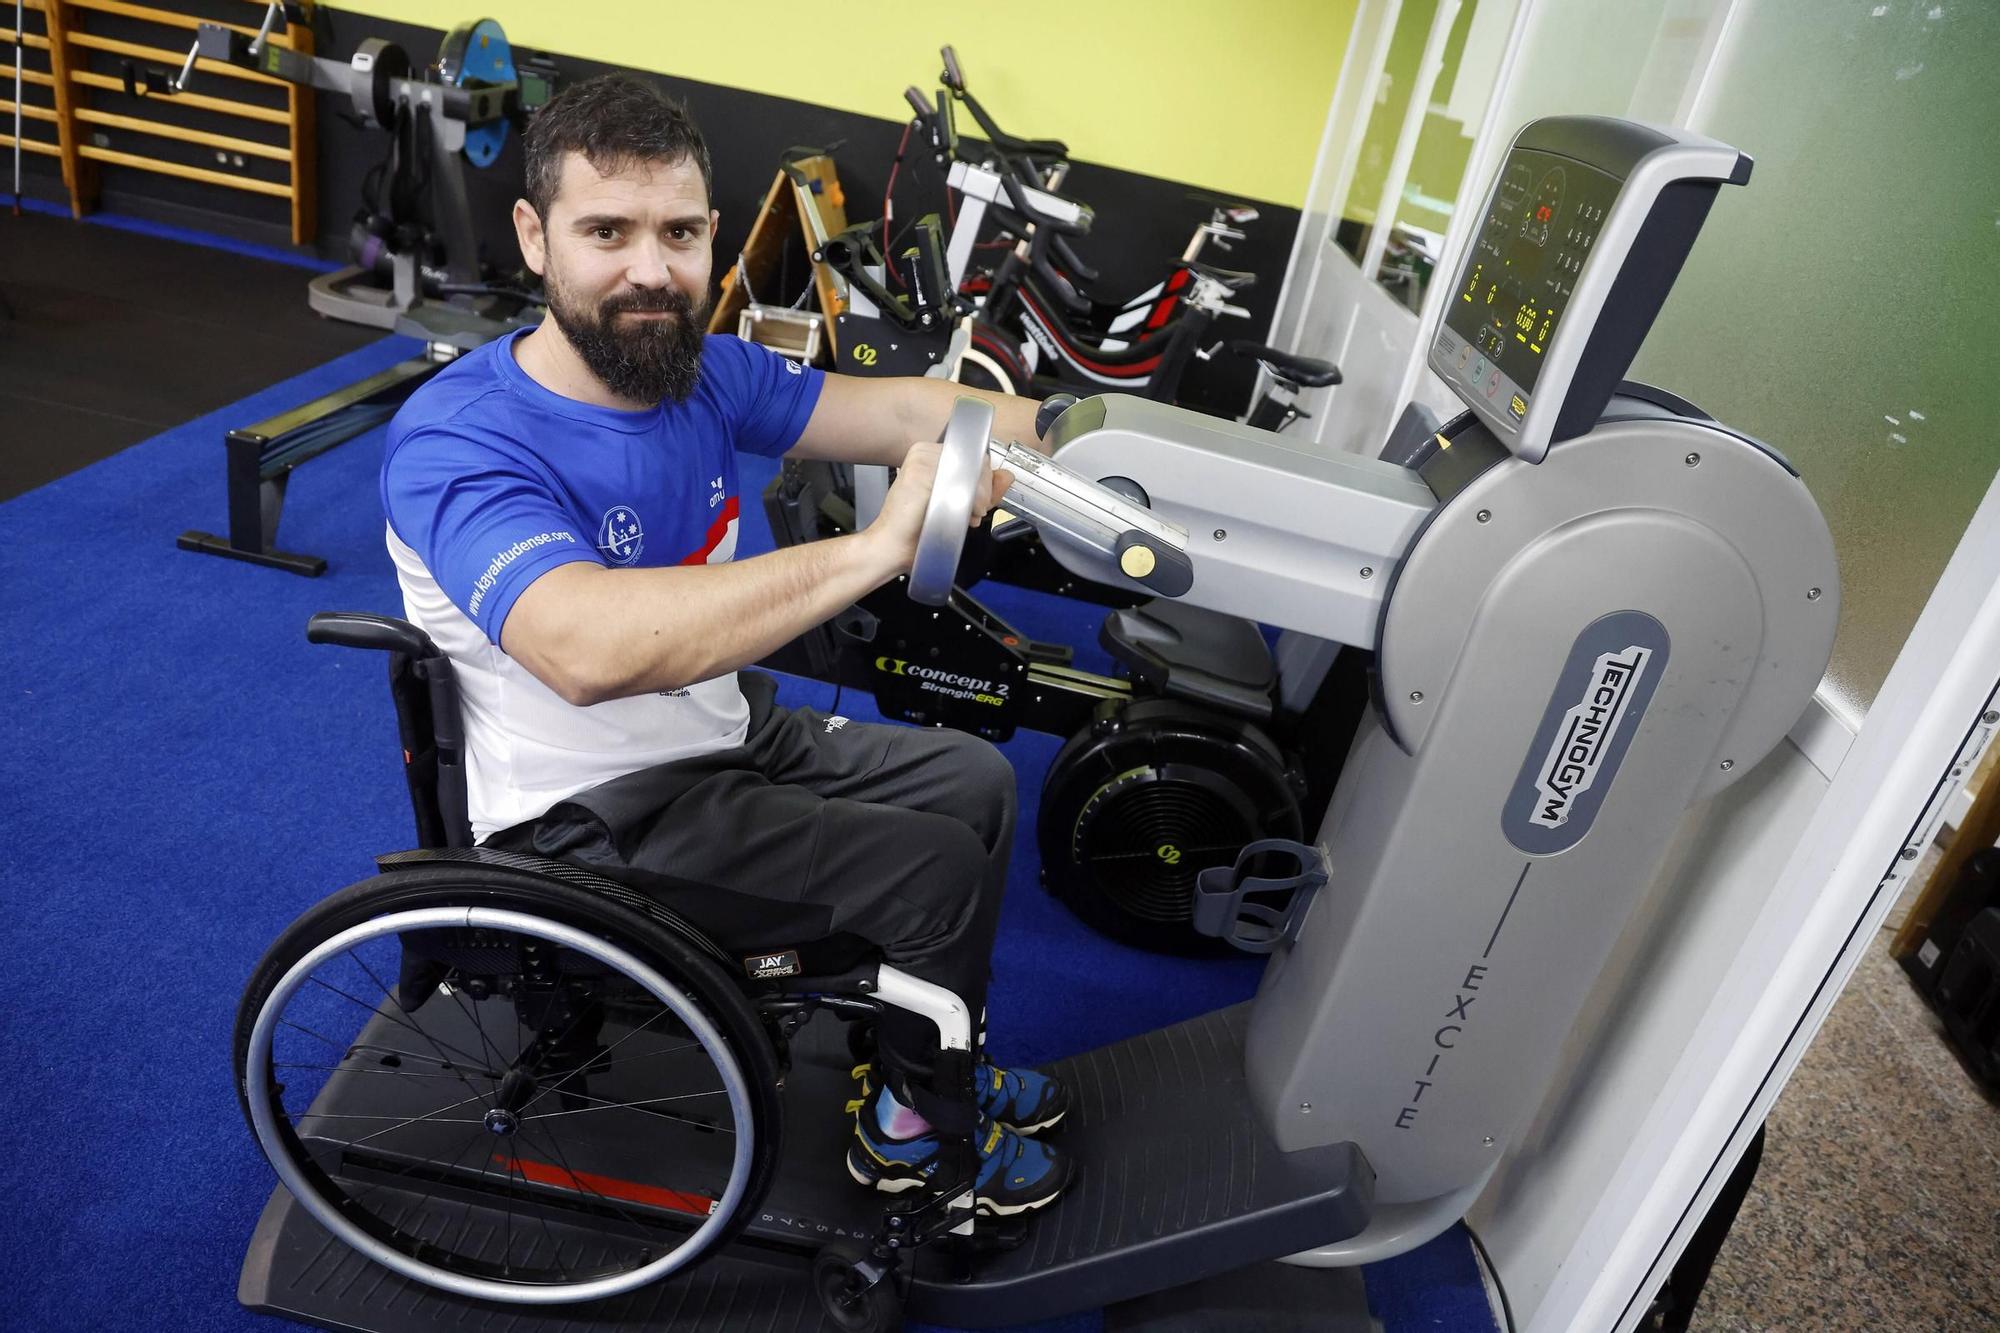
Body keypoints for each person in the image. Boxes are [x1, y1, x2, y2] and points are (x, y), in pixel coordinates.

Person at [379, 73, 1074, 1216]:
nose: (652, 270)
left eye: (681, 232)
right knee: (927, 868)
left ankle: (911, 1048)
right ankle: (911, 1136)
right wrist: (873, 548)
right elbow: (585, 651)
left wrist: (1081, 432)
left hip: (718, 732)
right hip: (590, 811)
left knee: (975, 777)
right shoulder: (461, 444)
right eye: (607, 231)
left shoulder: (692, 370)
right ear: (533, 236)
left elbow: (902, 411)